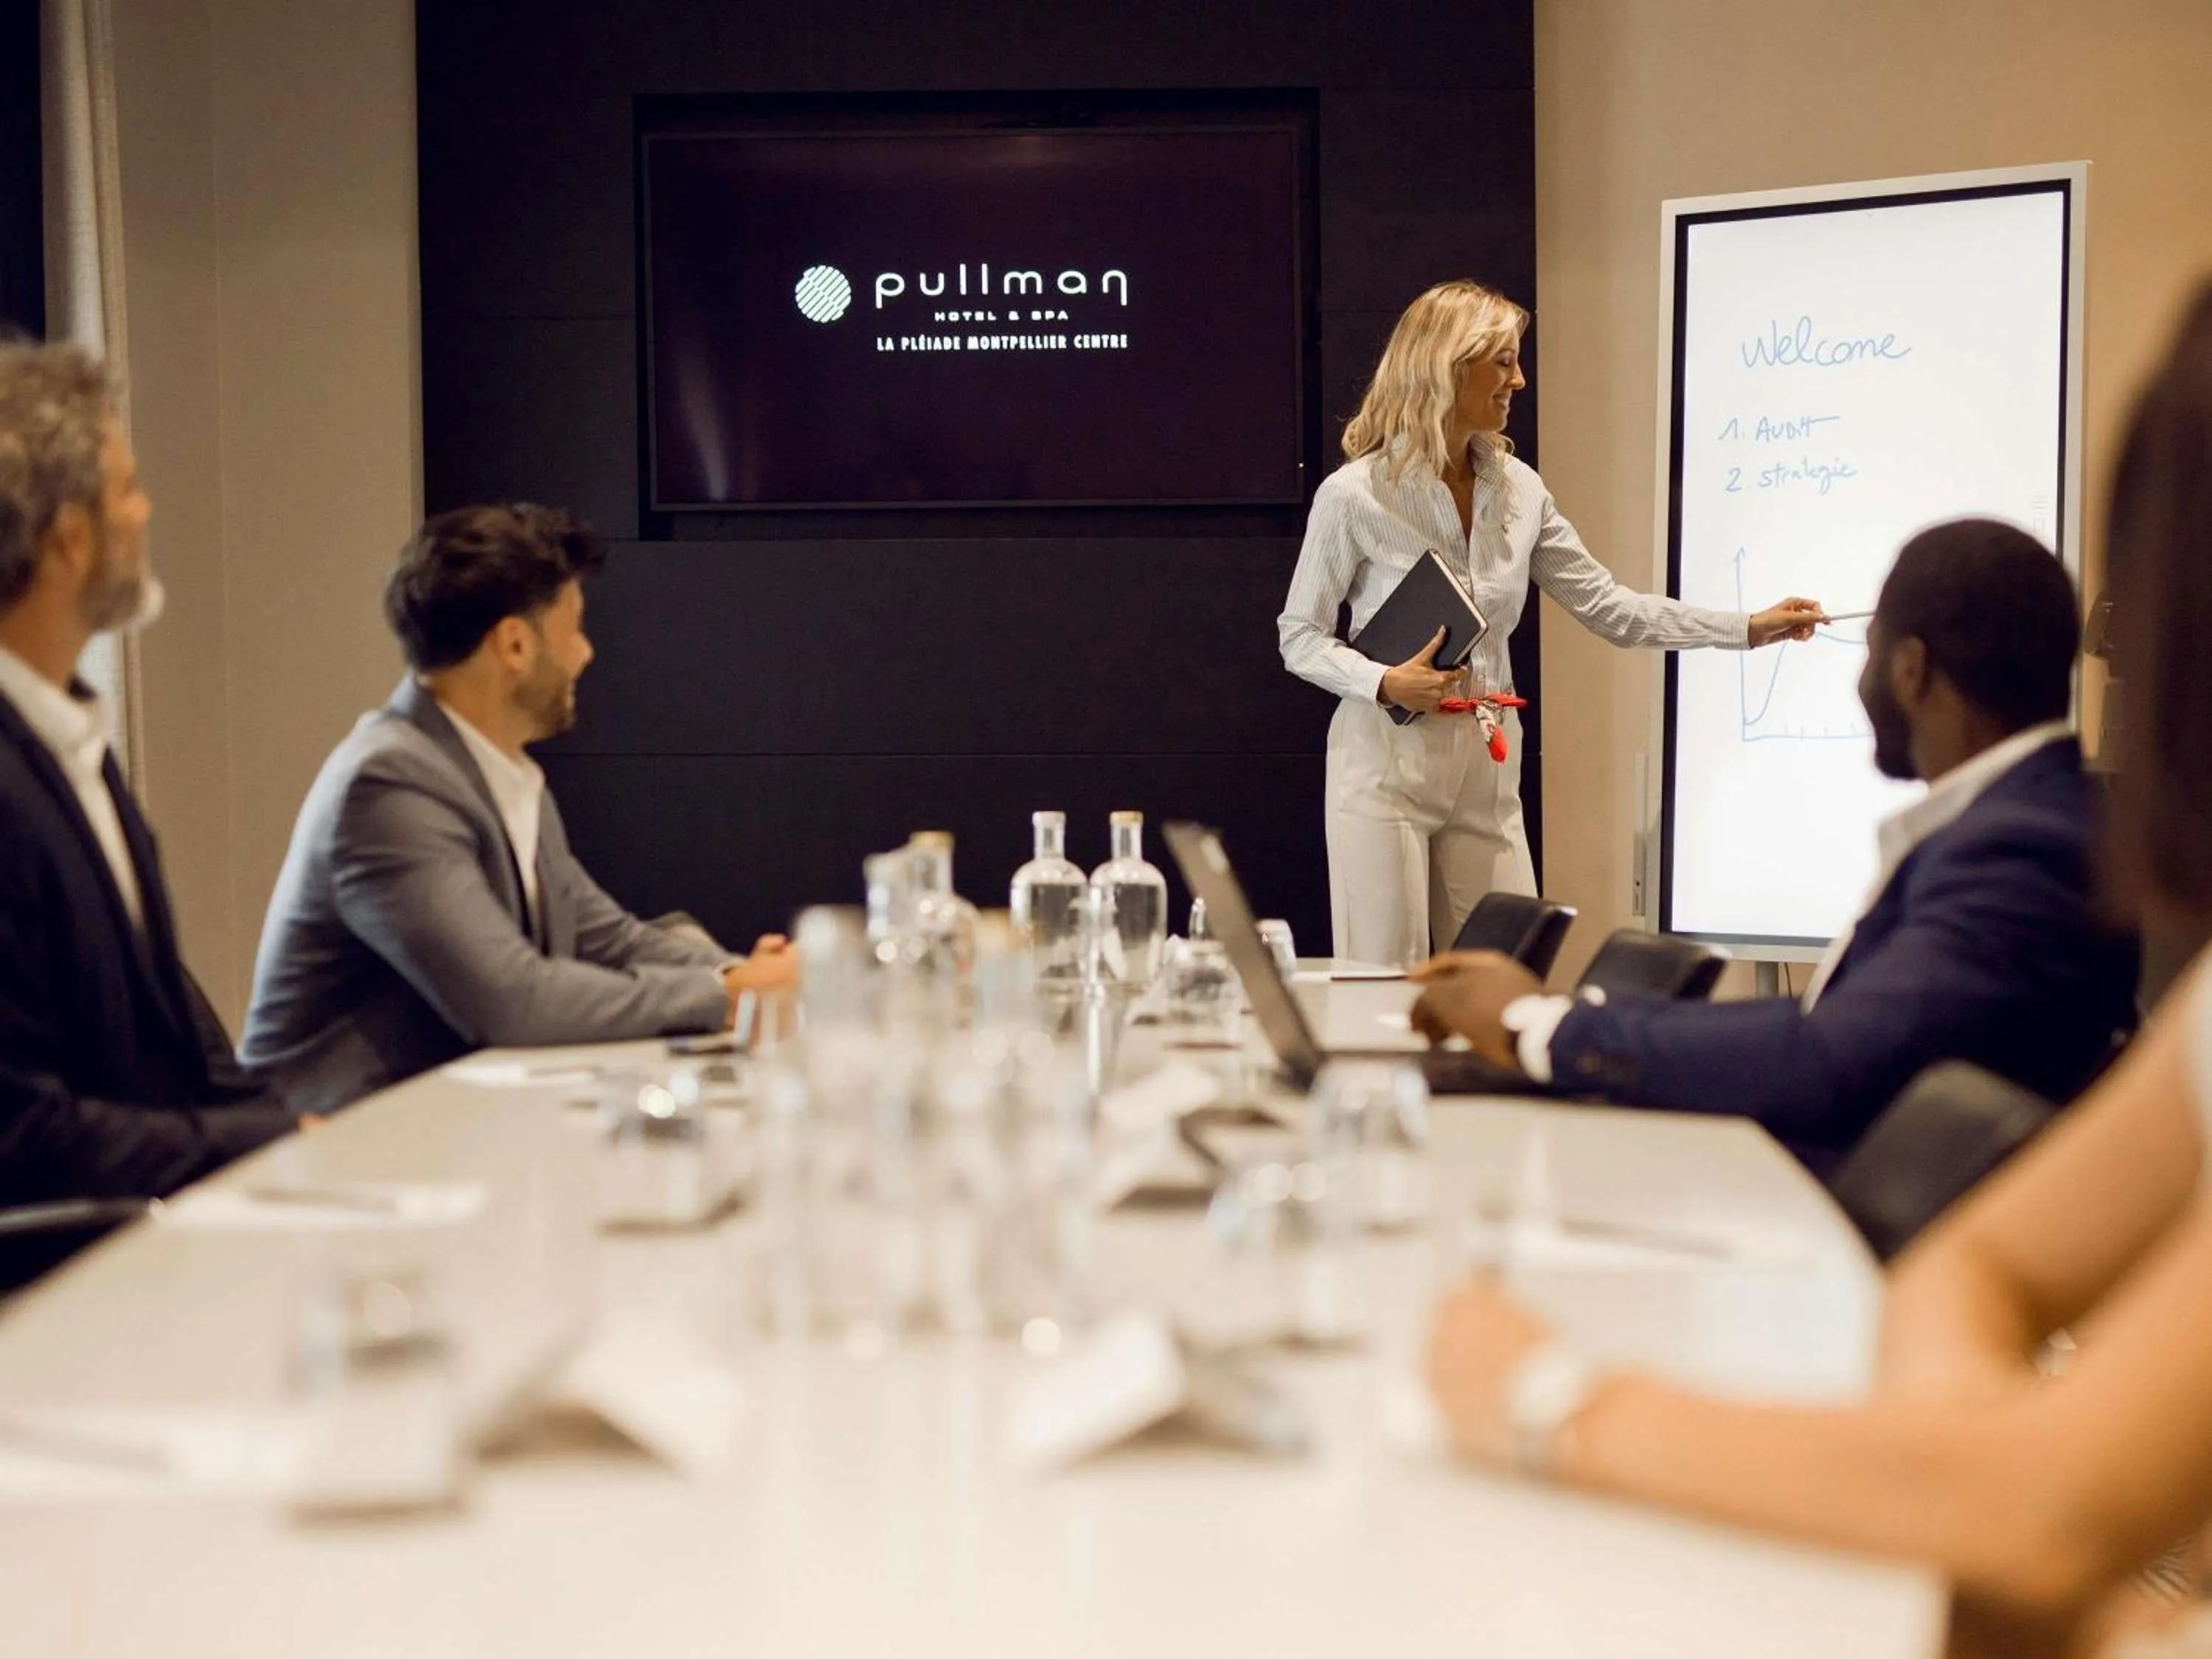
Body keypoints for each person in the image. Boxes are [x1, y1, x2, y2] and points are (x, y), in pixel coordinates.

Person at [1425, 285, 2212, 1659]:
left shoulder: (2028, 848)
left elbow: (2048, 1512)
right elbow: (1981, 1289)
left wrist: (1547, 1400)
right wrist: (1950, 1472)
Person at [1408, 517, 2140, 1173]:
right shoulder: (2023, 822)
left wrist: (1544, 1024)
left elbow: (1831, 1057)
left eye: (1871, 652)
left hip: (1854, 1264)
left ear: (1911, 670)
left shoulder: (2026, 851)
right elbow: (1830, 1028)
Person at [1278, 279, 1824, 967]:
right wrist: (1384, 681)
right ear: (1450, 364)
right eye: (1503, 361)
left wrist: (1747, 626)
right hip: (1384, 761)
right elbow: (1299, 635)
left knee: (1507, 975)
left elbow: (1610, 607)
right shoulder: (1354, 495)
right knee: (1384, 977)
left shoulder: (1521, 489)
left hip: (1487, 759)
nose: (1520, 379)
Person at [242, 504, 794, 1113]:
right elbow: (511, 999)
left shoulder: (497, 768)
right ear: (514, 645)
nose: (586, 654)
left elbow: (605, 937)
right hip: (338, 1151)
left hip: (445, 1127)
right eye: (576, 629)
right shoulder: (387, 785)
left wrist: (744, 975)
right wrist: (728, 994)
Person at [0, 341, 294, 1276]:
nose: (147, 510)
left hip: (145, 1258)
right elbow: (22, 1132)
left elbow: (176, 1060)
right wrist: (264, 1148)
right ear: (68, 540)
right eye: (126, 489)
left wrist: (311, 1140)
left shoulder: (71, 742)